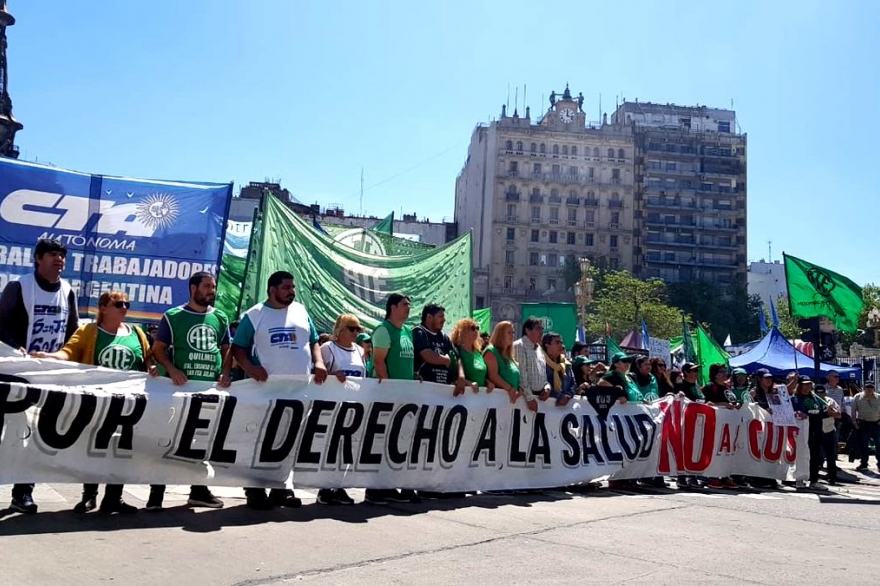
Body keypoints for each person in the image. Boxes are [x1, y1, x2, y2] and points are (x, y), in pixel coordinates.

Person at [31, 291, 157, 514]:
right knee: (96, 450)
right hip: (98, 403)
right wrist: (49, 357)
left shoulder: (137, 333)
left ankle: (114, 498)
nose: (124, 308)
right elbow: (68, 353)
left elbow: (148, 362)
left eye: (127, 304)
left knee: (122, 452)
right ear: (103, 308)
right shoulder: (89, 331)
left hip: (129, 405)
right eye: (118, 304)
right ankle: (89, 496)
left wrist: (155, 369)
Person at [232, 270, 327, 510]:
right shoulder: (255, 315)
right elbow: (238, 348)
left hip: (299, 391)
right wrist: (250, 368)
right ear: (272, 290)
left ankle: (280, 488)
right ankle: (254, 489)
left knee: (290, 441)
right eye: (286, 287)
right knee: (261, 440)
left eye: (292, 287)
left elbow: (313, 340)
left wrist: (319, 362)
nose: (291, 291)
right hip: (266, 392)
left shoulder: (301, 311)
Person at [0, 238, 79, 515]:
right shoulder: (19, 286)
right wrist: (15, 348)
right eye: (53, 255)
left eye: (62, 256)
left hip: (48, 376)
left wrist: (66, 358)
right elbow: (1, 325)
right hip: (13, 375)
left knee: (33, 436)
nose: (59, 260)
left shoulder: (68, 290)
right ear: (38, 259)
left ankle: (22, 494)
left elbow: (73, 332)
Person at [147, 271, 232, 511]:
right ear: (193, 288)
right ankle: (156, 493)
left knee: (203, 441)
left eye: (213, 287)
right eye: (206, 286)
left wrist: (226, 372)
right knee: (169, 440)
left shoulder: (221, 318)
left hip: (209, 392)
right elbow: (158, 349)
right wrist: (172, 369)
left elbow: (227, 349)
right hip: (178, 392)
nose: (211, 291)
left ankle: (199, 490)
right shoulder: (173, 316)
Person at [368, 293, 419, 505]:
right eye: (405, 305)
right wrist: (390, 390)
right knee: (380, 441)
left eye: (409, 304)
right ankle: (374, 489)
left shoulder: (407, 331)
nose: (408, 308)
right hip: (386, 396)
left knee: (397, 443)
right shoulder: (383, 330)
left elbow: (406, 361)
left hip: (405, 397)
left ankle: (391, 484)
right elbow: (379, 362)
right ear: (393, 307)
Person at [316, 313, 367, 506]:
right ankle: (324, 488)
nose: (356, 333)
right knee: (330, 447)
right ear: (341, 330)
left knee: (346, 449)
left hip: (353, 406)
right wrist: (331, 375)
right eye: (352, 329)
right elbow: (316, 374)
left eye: (358, 330)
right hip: (331, 405)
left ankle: (339, 486)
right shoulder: (328, 349)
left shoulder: (360, 351)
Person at [790, 376, 833, 490]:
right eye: (804, 384)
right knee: (801, 454)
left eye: (809, 384)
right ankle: (798, 478)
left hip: (816, 430)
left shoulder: (815, 398)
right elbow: (790, 413)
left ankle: (813, 480)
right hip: (802, 431)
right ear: (800, 386)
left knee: (815, 455)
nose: (807, 387)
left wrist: (831, 412)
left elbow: (824, 410)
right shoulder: (794, 399)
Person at [413, 303, 466, 394]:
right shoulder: (419, 332)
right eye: (440, 316)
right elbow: (427, 355)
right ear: (429, 317)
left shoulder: (444, 336)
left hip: (444, 392)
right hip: (424, 391)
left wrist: (461, 376)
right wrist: (446, 360)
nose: (444, 320)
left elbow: (457, 357)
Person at [483, 321, 521, 404]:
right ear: (500, 335)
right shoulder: (491, 351)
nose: (512, 335)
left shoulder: (509, 355)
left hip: (511, 403)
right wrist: (510, 389)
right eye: (509, 333)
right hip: (496, 401)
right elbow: (493, 376)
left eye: (513, 332)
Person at [512, 317, 545, 413]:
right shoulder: (519, 346)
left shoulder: (539, 348)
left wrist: (547, 387)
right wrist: (529, 398)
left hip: (540, 398)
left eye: (542, 329)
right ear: (527, 330)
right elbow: (521, 373)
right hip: (525, 399)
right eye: (538, 329)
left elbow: (543, 372)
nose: (541, 332)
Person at [450, 317, 489, 393]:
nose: (476, 331)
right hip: (463, 397)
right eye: (473, 328)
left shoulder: (478, 352)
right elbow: (452, 375)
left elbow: (481, 373)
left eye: (477, 328)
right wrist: (468, 383)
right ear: (463, 331)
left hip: (479, 398)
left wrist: (487, 382)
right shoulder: (456, 350)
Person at [814, 385, 841, 485]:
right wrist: (825, 413)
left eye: (822, 393)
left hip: (829, 431)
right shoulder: (811, 401)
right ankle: (814, 477)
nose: (820, 395)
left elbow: (839, 414)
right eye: (818, 393)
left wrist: (832, 413)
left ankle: (832, 477)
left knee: (831, 456)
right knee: (816, 456)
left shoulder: (830, 401)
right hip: (816, 432)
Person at [852, 381, 880, 472]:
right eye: (867, 387)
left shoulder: (879, 397)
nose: (869, 389)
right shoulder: (857, 397)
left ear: (874, 388)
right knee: (864, 445)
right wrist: (855, 423)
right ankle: (864, 464)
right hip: (864, 425)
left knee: (879, 445)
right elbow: (853, 410)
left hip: (877, 424)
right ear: (864, 388)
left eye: (871, 387)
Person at [540, 332, 575, 406]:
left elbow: (573, 383)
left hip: (564, 408)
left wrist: (568, 395)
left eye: (561, 342)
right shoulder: (539, 362)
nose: (560, 345)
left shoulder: (566, 364)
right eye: (557, 342)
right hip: (544, 408)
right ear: (547, 345)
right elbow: (540, 385)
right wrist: (559, 396)